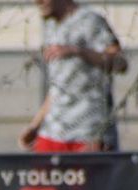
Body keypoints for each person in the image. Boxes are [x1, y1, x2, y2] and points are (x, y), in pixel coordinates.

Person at [19, 0, 126, 153]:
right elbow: (58, 87)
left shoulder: (89, 20)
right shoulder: (51, 27)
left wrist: (79, 52)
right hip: (52, 134)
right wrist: (35, 125)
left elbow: (120, 63)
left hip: (88, 135)